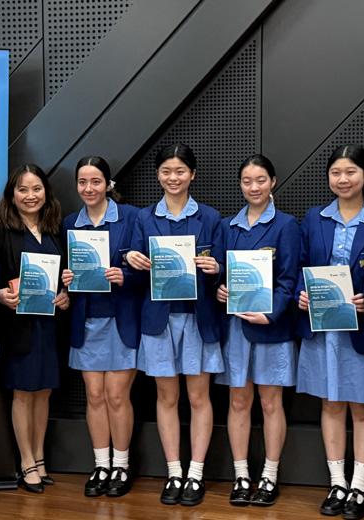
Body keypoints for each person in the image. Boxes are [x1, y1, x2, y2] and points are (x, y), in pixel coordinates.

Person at [295, 145, 364, 519]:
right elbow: (300, 265)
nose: (343, 179)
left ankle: (359, 486)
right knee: (330, 404)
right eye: (336, 172)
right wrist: (300, 294)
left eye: (351, 172)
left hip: (361, 329)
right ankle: (337, 483)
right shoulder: (314, 218)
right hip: (323, 328)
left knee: (362, 407)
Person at [125, 143, 224, 507]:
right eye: (166, 171)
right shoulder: (144, 218)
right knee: (166, 397)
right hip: (159, 319)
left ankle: (195, 473)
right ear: (158, 175)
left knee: (199, 397)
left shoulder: (210, 217)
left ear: (192, 175)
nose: (173, 177)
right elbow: (133, 274)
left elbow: (224, 272)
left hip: (199, 318)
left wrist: (217, 269)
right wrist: (132, 260)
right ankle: (173, 472)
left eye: (180, 171)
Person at [214, 154, 299, 507]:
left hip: (270, 328)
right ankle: (241, 475)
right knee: (238, 401)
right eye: (247, 181)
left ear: (273, 182)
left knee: (270, 402)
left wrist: (272, 313)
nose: (254, 187)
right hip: (236, 327)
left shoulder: (286, 225)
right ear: (240, 185)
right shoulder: (227, 226)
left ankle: (269, 476)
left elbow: (290, 278)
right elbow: (221, 272)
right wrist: (220, 289)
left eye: (261, 180)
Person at [61, 156, 141, 498]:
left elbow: (146, 269)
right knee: (94, 396)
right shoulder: (69, 223)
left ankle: (121, 465)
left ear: (108, 184)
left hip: (121, 320)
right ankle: (101, 465)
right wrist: (65, 280)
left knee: (117, 395)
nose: (89, 188)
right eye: (82, 182)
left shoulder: (132, 217)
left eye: (95, 181)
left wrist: (126, 275)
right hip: (86, 320)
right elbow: (63, 273)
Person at [0, 164, 69, 494]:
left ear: (46, 193)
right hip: (17, 324)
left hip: (50, 324)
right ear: (12, 195)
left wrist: (65, 295)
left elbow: (66, 275)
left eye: (36, 189)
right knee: (23, 392)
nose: (30, 195)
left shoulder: (55, 229)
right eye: (22, 189)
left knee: (44, 390)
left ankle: (39, 456)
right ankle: (25, 462)